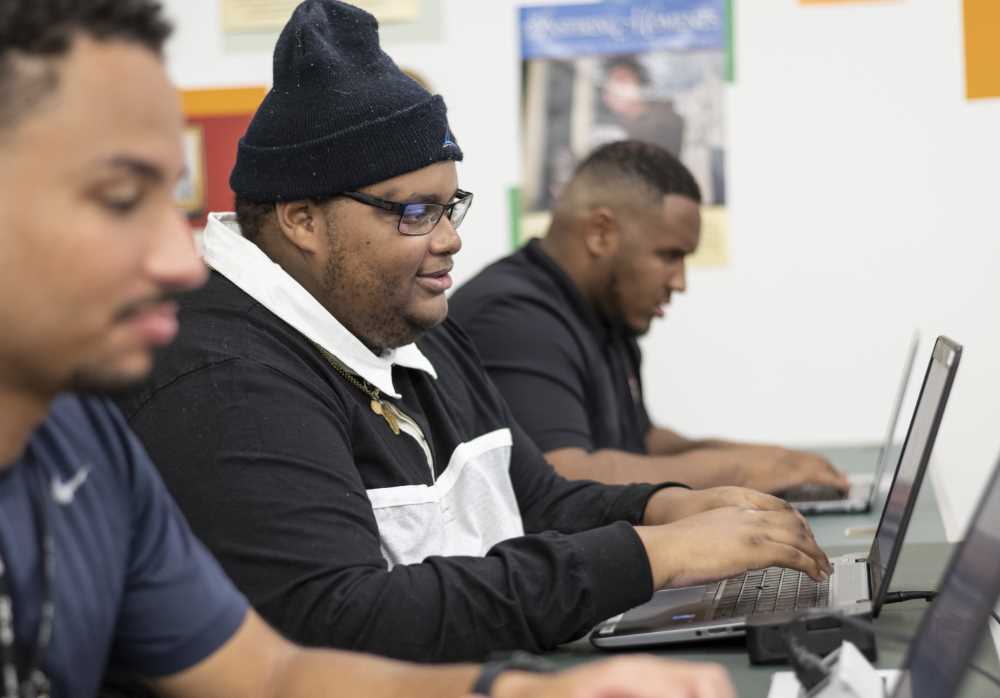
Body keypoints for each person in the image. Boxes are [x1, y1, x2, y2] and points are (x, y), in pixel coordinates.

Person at [0, 1, 739, 696]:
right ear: (301, 222)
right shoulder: (212, 374)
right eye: (120, 198)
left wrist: (527, 684)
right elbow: (336, 620)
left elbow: (272, 674)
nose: (177, 255)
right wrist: (646, 554)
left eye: (449, 208)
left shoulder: (82, 442)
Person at [449, 141, 850, 496]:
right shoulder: (512, 318)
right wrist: (742, 471)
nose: (680, 282)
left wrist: (775, 460)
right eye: (669, 255)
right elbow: (568, 476)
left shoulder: (602, 312)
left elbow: (641, 442)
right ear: (601, 232)